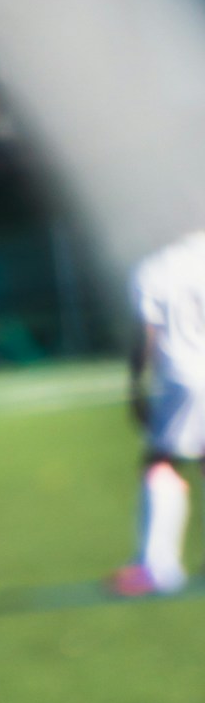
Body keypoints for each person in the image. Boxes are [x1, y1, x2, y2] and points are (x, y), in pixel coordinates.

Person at [112, 226, 205, 595]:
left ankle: (157, 565)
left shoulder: (157, 267)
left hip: (184, 375)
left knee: (160, 461)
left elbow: (146, 332)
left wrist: (136, 385)